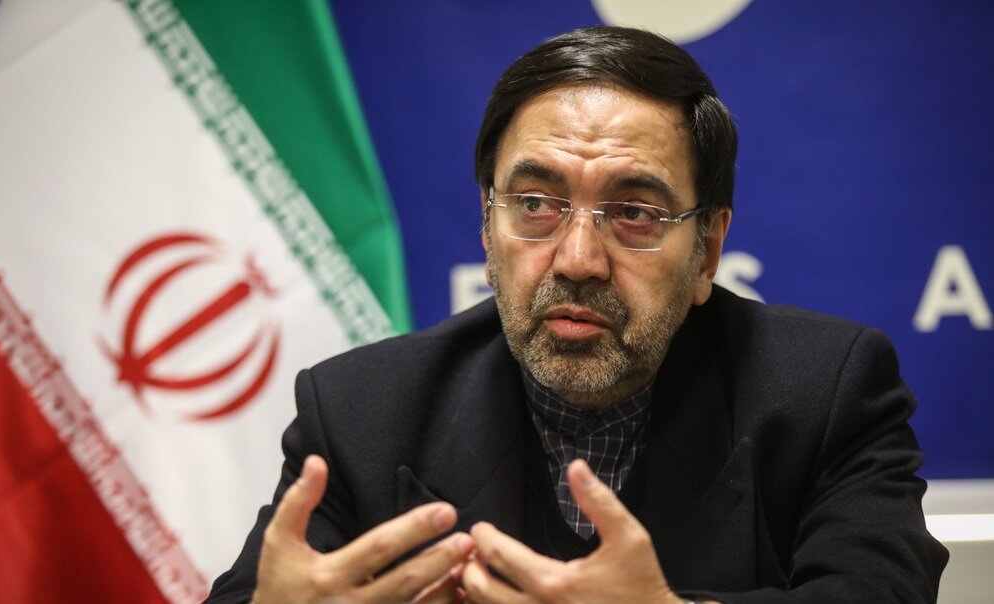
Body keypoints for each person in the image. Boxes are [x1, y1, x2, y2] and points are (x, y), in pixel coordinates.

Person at [206, 26, 947, 603]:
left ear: (708, 251)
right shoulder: (361, 411)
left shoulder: (825, 392)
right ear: (487, 228)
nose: (578, 260)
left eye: (634, 213)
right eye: (535, 204)